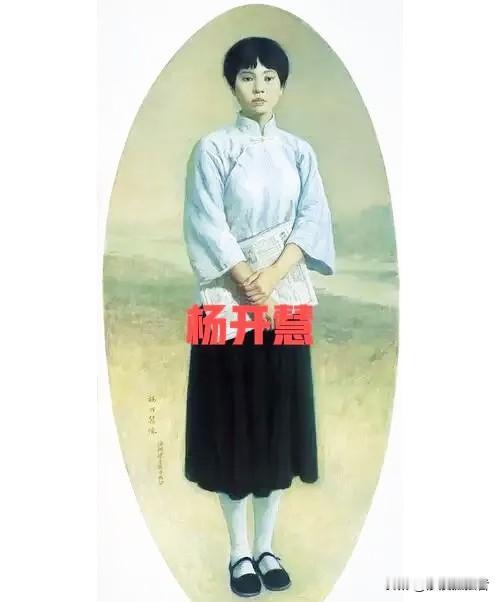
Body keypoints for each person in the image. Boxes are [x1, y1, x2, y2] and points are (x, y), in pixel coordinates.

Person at [183, 36, 335, 597]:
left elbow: (312, 220)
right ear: (232, 84)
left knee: (277, 419)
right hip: (223, 297)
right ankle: (238, 553)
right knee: (231, 421)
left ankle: (267, 547)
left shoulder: (300, 151)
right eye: (247, 76)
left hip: (287, 293)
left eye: (270, 77)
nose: (259, 87)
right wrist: (246, 279)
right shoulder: (213, 147)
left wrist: (271, 280)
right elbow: (205, 220)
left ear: (282, 84)